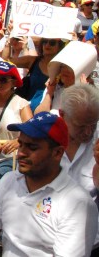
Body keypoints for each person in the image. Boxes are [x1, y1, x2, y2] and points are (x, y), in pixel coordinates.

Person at [0, 112, 98, 257]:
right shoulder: (9, 181)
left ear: (57, 153)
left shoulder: (78, 203)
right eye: (21, 144)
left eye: (32, 147)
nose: (21, 153)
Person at [59, 84, 99, 253]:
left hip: (92, 243)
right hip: (49, 239)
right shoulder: (44, 139)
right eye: (81, 126)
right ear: (62, 115)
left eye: (93, 124)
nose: (88, 131)